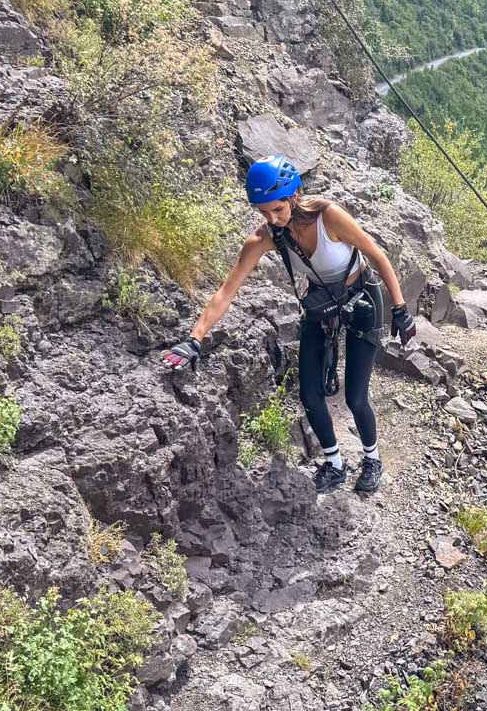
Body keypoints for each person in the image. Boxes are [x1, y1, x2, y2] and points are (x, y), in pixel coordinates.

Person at [162, 155, 416, 494]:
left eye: (277, 210)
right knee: (310, 394)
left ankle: (372, 459)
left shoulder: (329, 217)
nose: (272, 219)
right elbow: (227, 290)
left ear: (293, 195)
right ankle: (334, 464)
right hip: (322, 305)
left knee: (356, 397)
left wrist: (400, 308)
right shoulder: (266, 237)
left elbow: (377, 254)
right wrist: (195, 338)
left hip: (362, 299)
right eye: (264, 212)